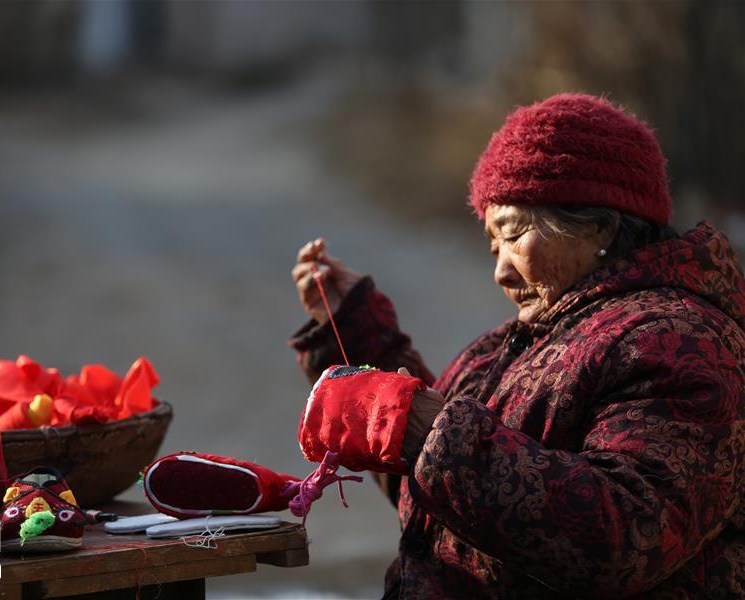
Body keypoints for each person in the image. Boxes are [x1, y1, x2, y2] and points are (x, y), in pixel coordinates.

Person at [288, 93, 744, 598]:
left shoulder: (681, 342)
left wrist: (423, 427)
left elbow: (623, 537)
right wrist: (353, 330)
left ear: (600, 225)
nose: (501, 271)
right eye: (491, 245)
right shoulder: (527, 340)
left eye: (515, 234)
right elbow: (443, 495)